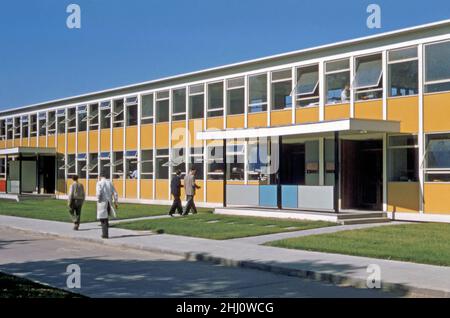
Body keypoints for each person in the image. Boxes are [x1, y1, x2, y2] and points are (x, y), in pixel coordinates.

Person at [96, 172, 119, 239]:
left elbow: (98, 192)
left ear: (100, 176)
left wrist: (98, 199)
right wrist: (115, 202)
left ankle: (105, 234)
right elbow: (115, 193)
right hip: (109, 203)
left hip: (102, 202)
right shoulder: (110, 183)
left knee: (102, 219)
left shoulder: (99, 183)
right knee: (106, 218)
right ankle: (105, 233)